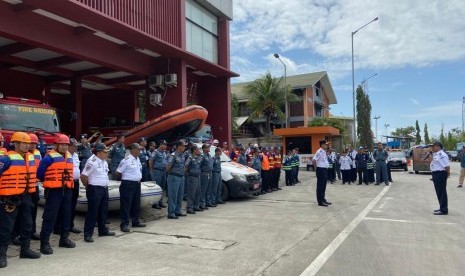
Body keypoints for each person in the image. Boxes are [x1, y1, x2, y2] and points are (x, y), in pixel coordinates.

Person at [0, 132, 41, 268]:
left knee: (27, 224)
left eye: (28, 143)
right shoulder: (6, 159)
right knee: (6, 227)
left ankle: (25, 249)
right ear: (16, 144)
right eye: (24, 143)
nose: (27, 145)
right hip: (10, 198)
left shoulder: (30, 158)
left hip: (26, 196)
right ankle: (2, 255)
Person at [37, 134, 76, 255]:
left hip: (67, 190)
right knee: (50, 216)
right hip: (54, 191)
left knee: (66, 215)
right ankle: (44, 243)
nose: (64, 147)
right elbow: (40, 174)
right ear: (56, 145)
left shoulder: (69, 156)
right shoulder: (48, 158)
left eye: (66, 145)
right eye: (62, 145)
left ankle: (64, 239)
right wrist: (51, 181)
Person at [81, 143, 115, 242]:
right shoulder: (92, 161)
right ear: (99, 153)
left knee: (103, 211)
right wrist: (88, 186)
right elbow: (83, 176)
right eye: (105, 152)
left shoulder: (103, 161)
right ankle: (88, 234)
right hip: (94, 189)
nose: (107, 154)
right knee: (93, 212)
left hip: (104, 188)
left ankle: (102, 230)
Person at [116, 143, 146, 232]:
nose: (140, 151)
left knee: (136, 203)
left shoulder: (138, 159)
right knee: (126, 205)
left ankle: (135, 221)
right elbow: (118, 172)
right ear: (133, 149)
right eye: (138, 149)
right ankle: (124, 224)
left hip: (137, 184)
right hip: (128, 184)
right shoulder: (126, 160)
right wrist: (126, 180)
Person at [166, 140, 187, 219]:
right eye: (183, 146)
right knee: (173, 195)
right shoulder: (173, 155)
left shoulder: (183, 155)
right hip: (174, 177)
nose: (184, 147)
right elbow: (168, 167)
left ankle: (178, 210)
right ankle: (171, 212)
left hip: (181, 177)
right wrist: (172, 174)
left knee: (180, 195)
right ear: (179, 146)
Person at [430, 141, 450, 215]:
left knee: (442, 192)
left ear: (438, 146)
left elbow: (447, 166)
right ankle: (441, 207)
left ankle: (444, 209)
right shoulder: (437, 154)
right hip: (436, 174)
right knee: (439, 192)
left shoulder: (442, 155)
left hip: (440, 174)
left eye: (434, 146)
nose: (433, 147)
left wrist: (447, 173)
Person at [68, 138, 81, 234]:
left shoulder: (76, 155)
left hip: (76, 182)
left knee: (73, 205)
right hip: (68, 183)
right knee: (66, 205)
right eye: (74, 146)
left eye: (76, 146)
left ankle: (70, 225)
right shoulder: (65, 155)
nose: (76, 148)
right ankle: (61, 226)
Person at [149, 140, 168, 209]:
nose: (165, 146)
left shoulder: (164, 153)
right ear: (160, 144)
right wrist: (151, 169)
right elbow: (151, 161)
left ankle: (160, 201)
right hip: (157, 171)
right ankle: (155, 203)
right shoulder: (155, 152)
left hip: (163, 171)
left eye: (166, 145)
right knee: (157, 187)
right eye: (164, 144)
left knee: (162, 187)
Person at [312, 140, 331, 206]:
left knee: (323, 185)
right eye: (326, 144)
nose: (327, 145)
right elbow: (314, 160)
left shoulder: (324, 151)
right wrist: (315, 168)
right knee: (320, 186)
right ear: (322, 145)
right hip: (320, 170)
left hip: (324, 170)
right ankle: (320, 201)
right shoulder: (319, 151)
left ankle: (323, 199)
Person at [185, 144, 202, 214]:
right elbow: (185, 167)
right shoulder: (190, 157)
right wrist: (188, 174)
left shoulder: (198, 157)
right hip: (192, 177)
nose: (199, 151)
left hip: (198, 176)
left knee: (198, 192)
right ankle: (189, 207)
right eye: (197, 149)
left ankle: (196, 206)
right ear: (194, 150)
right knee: (191, 193)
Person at [200, 143, 214, 208]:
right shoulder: (202, 156)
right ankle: (202, 203)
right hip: (204, 174)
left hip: (210, 173)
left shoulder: (209, 155)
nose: (209, 148)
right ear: (204, 149)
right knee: (203, 189)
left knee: (209, 189)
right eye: (208, 147)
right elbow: (199, 165)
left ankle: (208, 202)